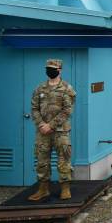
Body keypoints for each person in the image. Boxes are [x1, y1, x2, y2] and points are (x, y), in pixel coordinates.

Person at [28, 59, 76, 201]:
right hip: (42, 132)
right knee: (42, 160)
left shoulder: (67, 88)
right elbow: (34, 108)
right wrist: (42, 124)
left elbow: (67, 110)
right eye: (48, 68)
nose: (50, 71)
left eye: (53, 68)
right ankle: (43, 189)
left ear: (60, 70)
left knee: (63, 159)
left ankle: (65, 189)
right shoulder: (39, 88)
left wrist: (51, 125)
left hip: (61, 131)